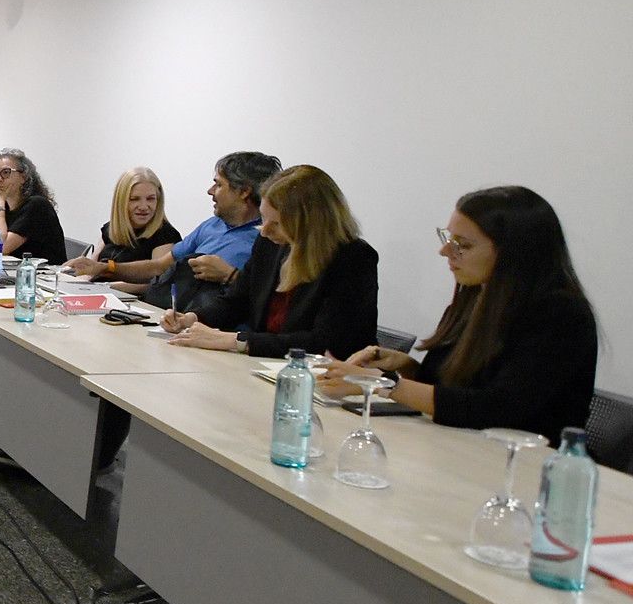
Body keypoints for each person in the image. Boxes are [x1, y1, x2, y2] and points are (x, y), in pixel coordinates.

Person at [324, 186, 597, 438]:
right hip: (461, 445)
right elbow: (446, 388)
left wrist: (385, 384)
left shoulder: (561, 315)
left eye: (463, 245)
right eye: (448, 238)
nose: (445, 251)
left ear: (515, 253)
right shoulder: (474, 298)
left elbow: (498, 408)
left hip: (528, 462)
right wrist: (404, 366)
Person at [162, 164, 377, 359]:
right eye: (264, 218)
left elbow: (327, 342)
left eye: (277, 223)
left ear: (311, 225)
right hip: (266, 364)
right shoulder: (270, 244)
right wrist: (192, 318)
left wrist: (236, 341)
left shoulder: (353, 258)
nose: (264, 231)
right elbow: (237, 300)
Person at [114, 152, 281, 318]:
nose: (210, 191)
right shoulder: (211, 225)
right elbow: (159, 267)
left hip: (225, 328)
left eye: (218, 185)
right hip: (182, 319)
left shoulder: (270, 239)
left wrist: (229, 275)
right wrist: (109, 268)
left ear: (244, 191)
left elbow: (270, 302)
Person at [68, 168, 181, 291]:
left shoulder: (166, 235)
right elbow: (90, 271)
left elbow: (154, 284)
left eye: (150, 199)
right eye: (134, 199)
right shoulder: (109, 229)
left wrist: (102, 287)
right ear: (121, 201)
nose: (143, 206)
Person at [0, 148, 66, 259]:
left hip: (43, 270)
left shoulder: (37, 205)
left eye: (5, 172)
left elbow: (1, 247)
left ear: (23, 177)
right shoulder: (5, 206)